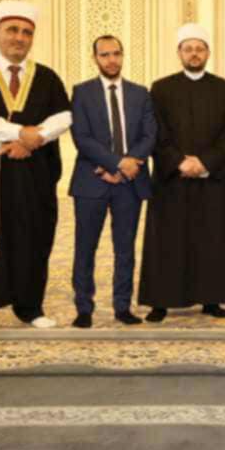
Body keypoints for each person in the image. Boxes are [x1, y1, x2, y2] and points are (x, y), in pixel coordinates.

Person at [0, 0, 72, 337]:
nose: (19, 38)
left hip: (33, 177)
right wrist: (20, 133)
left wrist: (34, 139)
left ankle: (30, 307)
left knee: (33, 238)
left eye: (27, 32)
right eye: (13, 30)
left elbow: (64, 116)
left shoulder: (46, 76)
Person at [137, 23, 225, 322]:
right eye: (188, 49)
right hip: (172, 178)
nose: (194, 54)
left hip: (212, 179)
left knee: (212, 239)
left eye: (199, 49)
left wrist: (205, 162)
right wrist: (179, 162)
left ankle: (212, 299)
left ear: (208, 53)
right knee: (167, 240)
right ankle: (161, 301)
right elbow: (156, 132)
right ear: (179, 53)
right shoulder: (161, 88)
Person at [68, 35, 157, 328]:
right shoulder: (82, 92)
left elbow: (149, 135)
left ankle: (122, 307)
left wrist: (128, 164)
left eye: (116, 53)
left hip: (130, 183)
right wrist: (116, 164)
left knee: (125, 249)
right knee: (85, 248)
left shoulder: (140, 93)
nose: (111, 60)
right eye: (104, 54)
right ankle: (84, 308)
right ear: (95, 58)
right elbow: (82, 137)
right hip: (91, 182)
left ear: (123, 55)